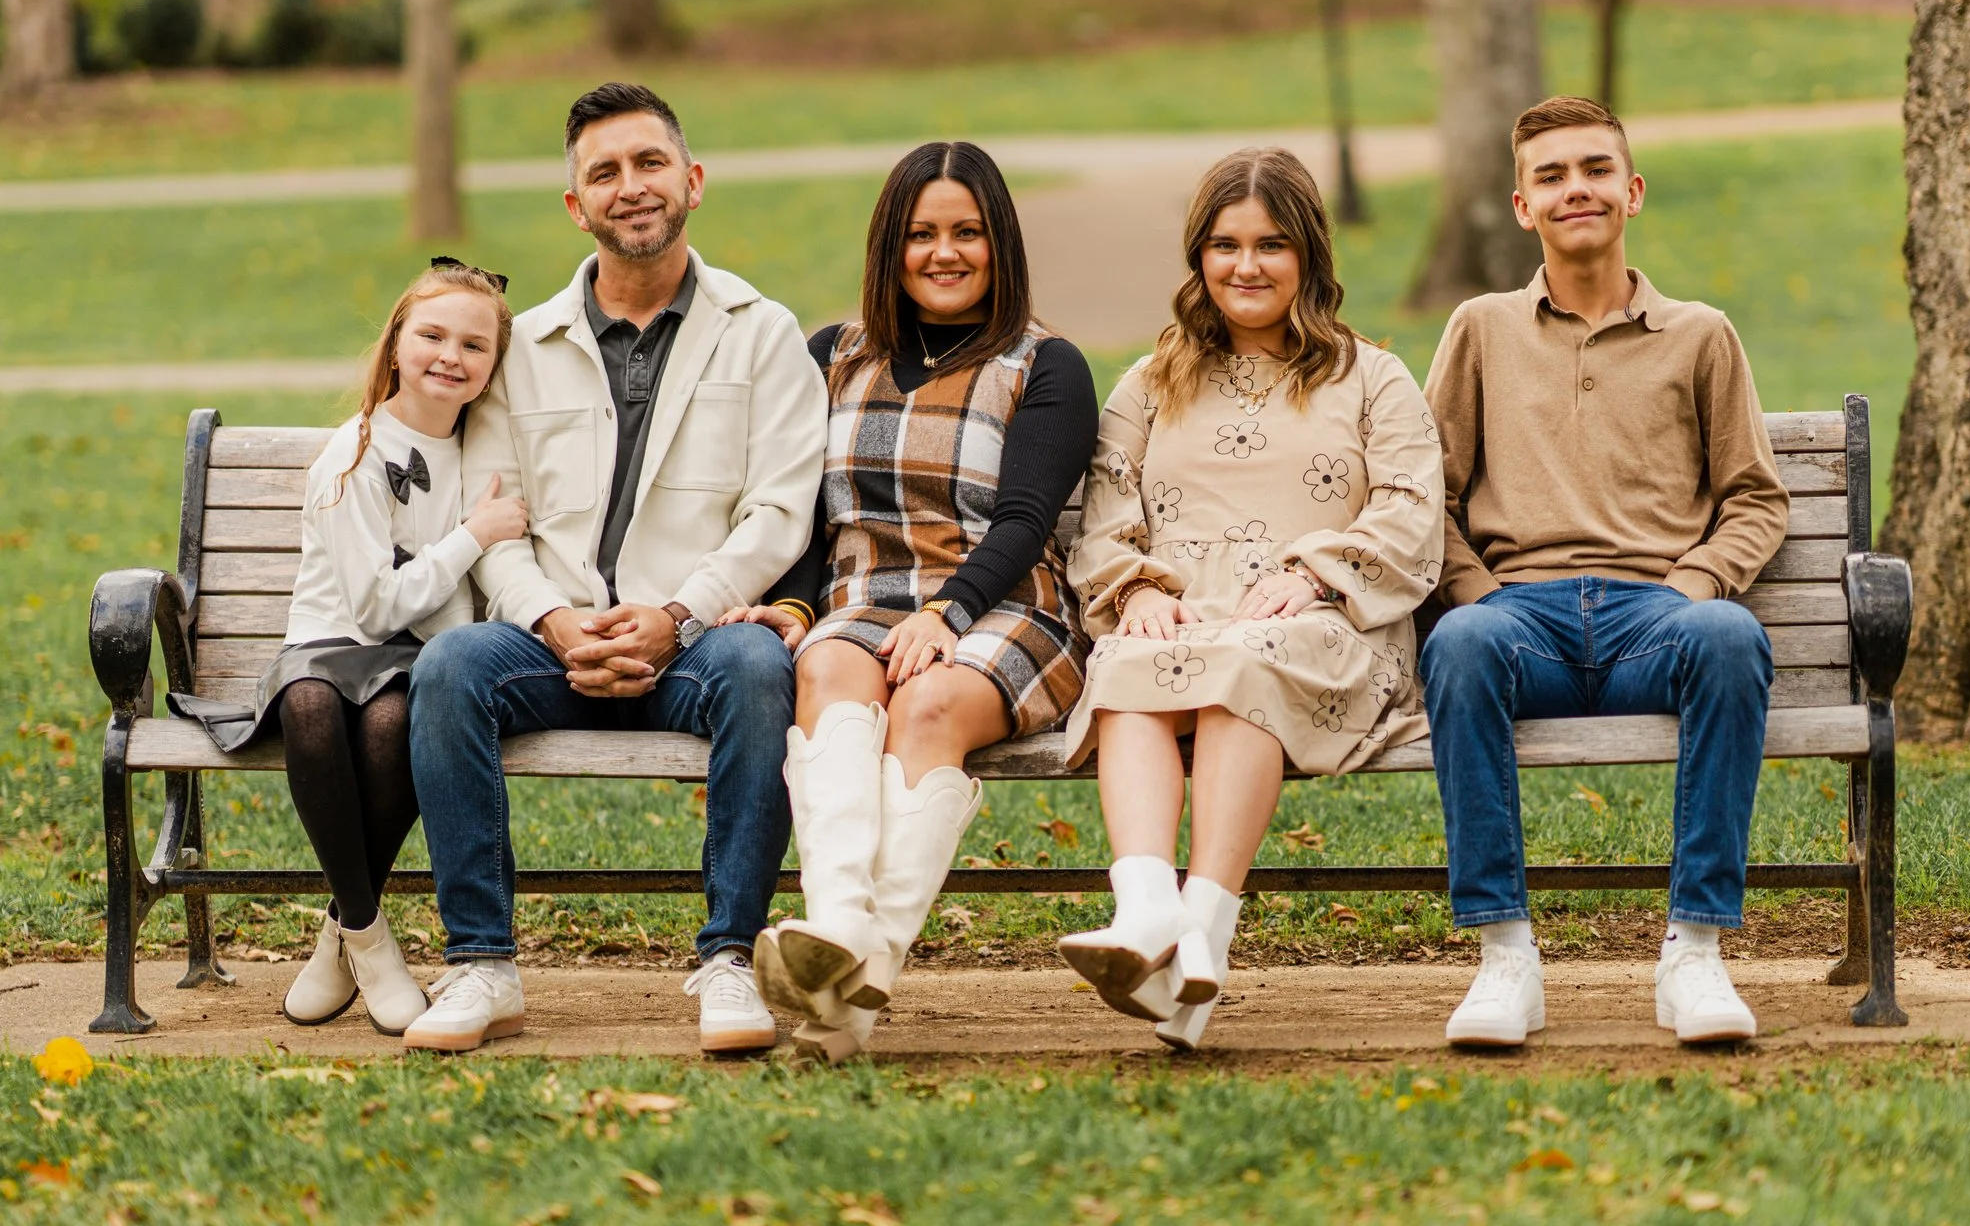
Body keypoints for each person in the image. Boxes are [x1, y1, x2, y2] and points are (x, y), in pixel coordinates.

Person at [404, 82, 826, 1055]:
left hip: (696, 641)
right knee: (450, 667)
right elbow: (493, 522)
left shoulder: (762, 331)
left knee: (761, 668)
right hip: (552, 641)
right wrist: (553, 622)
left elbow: (779, 511)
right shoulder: (521, 345)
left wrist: (679, 615)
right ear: (576, 205)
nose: (630, 186)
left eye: (649, 163)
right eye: (604, 172)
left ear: (693, 180)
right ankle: (482, 963)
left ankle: (729, 957)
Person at [1419, 94, 1789, 1050]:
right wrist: (1476, 593)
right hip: (1521, 620)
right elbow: (1427, 495)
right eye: (1550, 176)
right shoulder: (1480, 329)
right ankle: (1505, 956)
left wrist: (1694, 586)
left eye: (1594, 169)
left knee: (1730, 637)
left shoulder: (1701, 334)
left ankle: (1694, 950)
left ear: (1633, 192)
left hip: (1655, 620)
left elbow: (1756, 497)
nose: (1574, 188)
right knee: (1459, 643)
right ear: (1522, 206)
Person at [1061, 147, 1444, 1051]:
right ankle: (1147, 910)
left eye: (1271, 244)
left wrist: (1313, 574)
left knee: (1247, 659)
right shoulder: (1150, 383)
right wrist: (1136, 587)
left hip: (1325, 622)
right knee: (1126, 663)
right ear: (1199, 256)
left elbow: (1409, 508)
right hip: (1183, 618)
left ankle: (1203, 932)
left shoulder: (1370, 376)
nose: (1246, 266)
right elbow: (1107, 512)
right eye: (1225, 245)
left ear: (1308, 254)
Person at [723, 142, 1098, 1063]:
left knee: (927, 704)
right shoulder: (834, 355)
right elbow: (802, 511)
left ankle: (853, 982)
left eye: (967, 231)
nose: (945, 252)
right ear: (890, 244)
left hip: (1007, 605)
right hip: (861, 600)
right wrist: (795, 608)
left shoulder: (1045, 365)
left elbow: (1024, 521)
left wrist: (947, 614)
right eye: (922, 233)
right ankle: (843, 927)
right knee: (826, 668)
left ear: (999, 242)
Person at [170, 260, 526, 1034]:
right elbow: (372, 606)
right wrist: (471, 535)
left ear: (495, 365)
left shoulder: (481, 456)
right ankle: (372, 942)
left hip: (408, 657)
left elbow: (447, 612)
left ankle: (340, 933)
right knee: (310, 704)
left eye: (474, 345)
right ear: (396, 342)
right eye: (432, 335)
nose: (450, 356)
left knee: (399, 720)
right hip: (329, 645)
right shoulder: (355, 453)